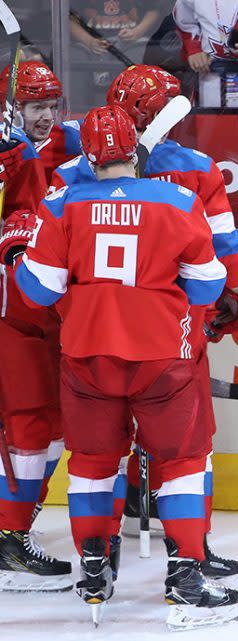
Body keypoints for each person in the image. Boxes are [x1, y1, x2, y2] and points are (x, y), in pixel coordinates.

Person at [0, 105, 238, 628]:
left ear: (88, 154)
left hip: (86, 358)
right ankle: (186, 581)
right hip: (162, 359)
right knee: (180, 464)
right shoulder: (180, 200)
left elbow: (37, 291)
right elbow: (206, 285)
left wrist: (19, 253)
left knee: (91, 462)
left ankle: (93, 572)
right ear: (136, 148)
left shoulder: (62, 204)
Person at [50, 64, 238, 579]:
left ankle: (99, 554)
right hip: (176, 332)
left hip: (92, 335)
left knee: (98, 451)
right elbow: (227, 259)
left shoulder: (75, 172)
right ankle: (193, 553)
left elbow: (45, 264)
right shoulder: (196, 169)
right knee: (188, 448)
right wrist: (226, 303)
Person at [0, 118, 70, 590]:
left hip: (39, 330)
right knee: (27, 428)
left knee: (53, 426)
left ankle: (17, 520)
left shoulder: (57, 153)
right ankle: (10, 537)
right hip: (14, 327)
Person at [0, 62, 83, 204]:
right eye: (38, 108)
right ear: (12, 109)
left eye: (53, 107)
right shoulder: (6, 144)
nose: (49, 117)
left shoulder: (66, 138)